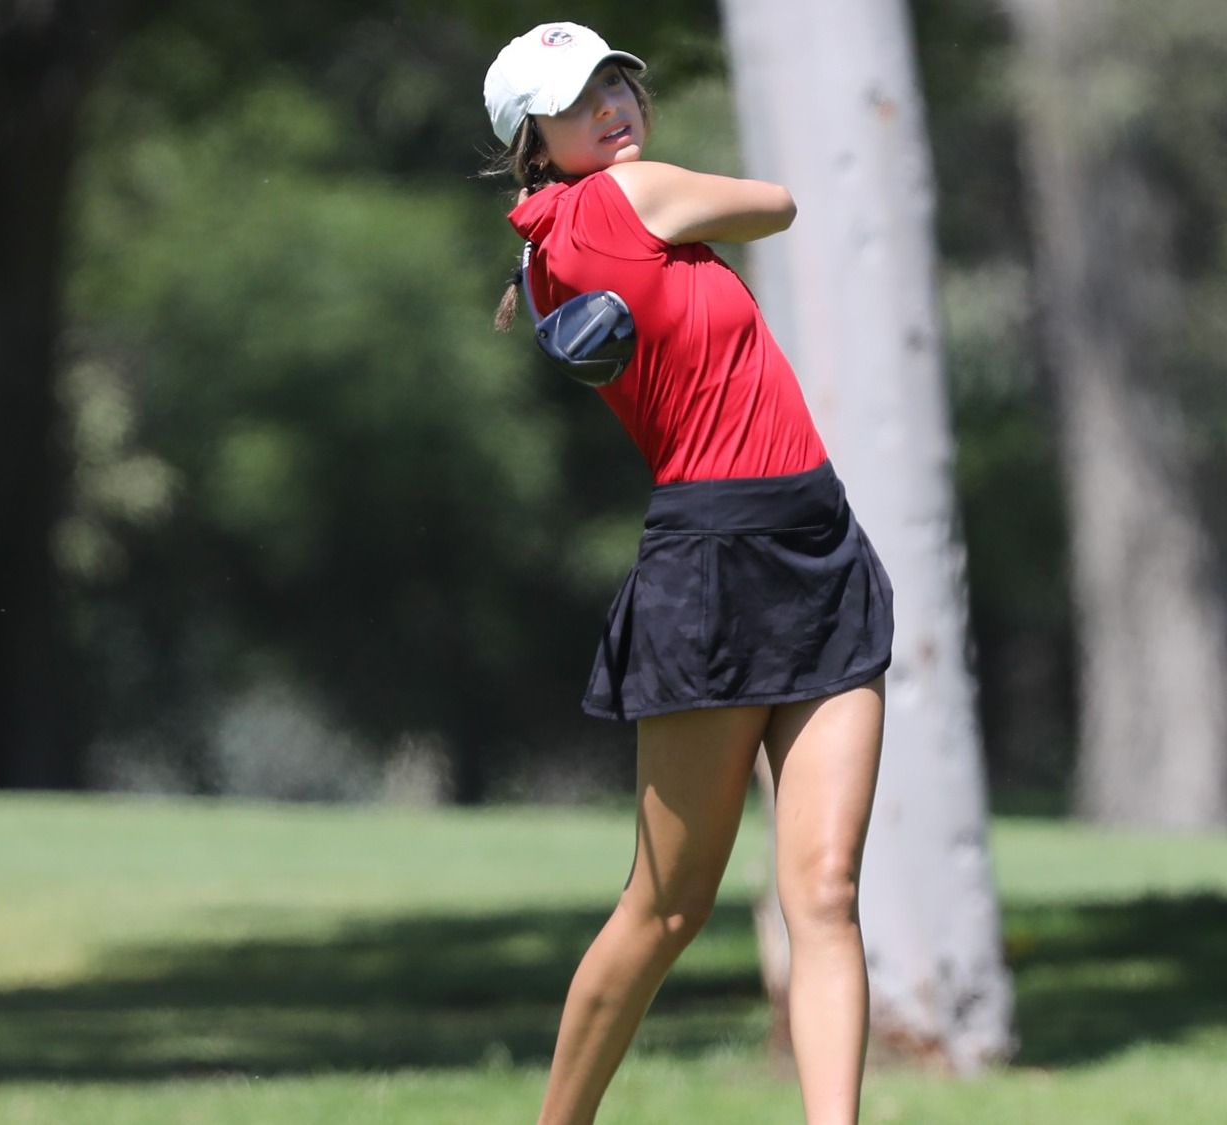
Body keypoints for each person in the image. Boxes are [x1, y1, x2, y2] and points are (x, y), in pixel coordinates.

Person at [482, 21, 895, 1125]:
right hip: (712, 566)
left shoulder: (552, 242)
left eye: (616, 84)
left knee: (824, 890)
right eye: (576, 104)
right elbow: (775, 200)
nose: (610, 108)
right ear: (534, 142)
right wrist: (670, 206)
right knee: (665, 910)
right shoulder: (626, 200)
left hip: (814, 542)